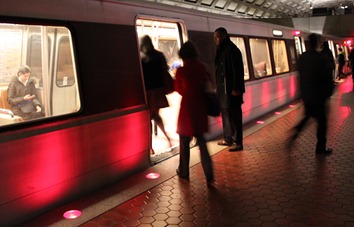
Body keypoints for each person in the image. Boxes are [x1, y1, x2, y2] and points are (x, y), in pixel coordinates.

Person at [174, 41, 214, 183]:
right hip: (200, 108)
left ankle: (184, 171)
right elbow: (210, 85)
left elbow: (179, 89)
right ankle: (209, 173)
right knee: (202, 142)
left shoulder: (181, 71)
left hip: (187, 110)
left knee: (184, 143)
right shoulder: (203, 67)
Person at [289, 33, 333, 154]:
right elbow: (325, 77)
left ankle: (295, 133)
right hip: (318, 97)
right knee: (322, 123)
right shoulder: (320, 58)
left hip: (307, 95)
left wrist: (301, 94)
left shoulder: (302, 57)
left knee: (307, 117)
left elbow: (300, 76)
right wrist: (328, 93)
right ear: (317, 43)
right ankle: (320, 147)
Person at [214, 27, 245, 152]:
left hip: (232, 91)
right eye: (215, 37)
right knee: (226, 115)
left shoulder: (232, 50)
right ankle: (228, 138)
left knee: (235, 116)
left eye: (218, 37)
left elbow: (238, 71)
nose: (216, 39)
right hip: (223, 90)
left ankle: (238, 142)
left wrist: (237, 88)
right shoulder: (221, 50)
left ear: (225, 36)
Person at [140, 35, 172, 154]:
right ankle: (168, 139)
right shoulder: (158, 55)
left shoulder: (140, 57)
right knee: (156, 116)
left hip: (147, 92)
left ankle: (149, 147)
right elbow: (166, 69)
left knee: (148, 119)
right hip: (158, 90)